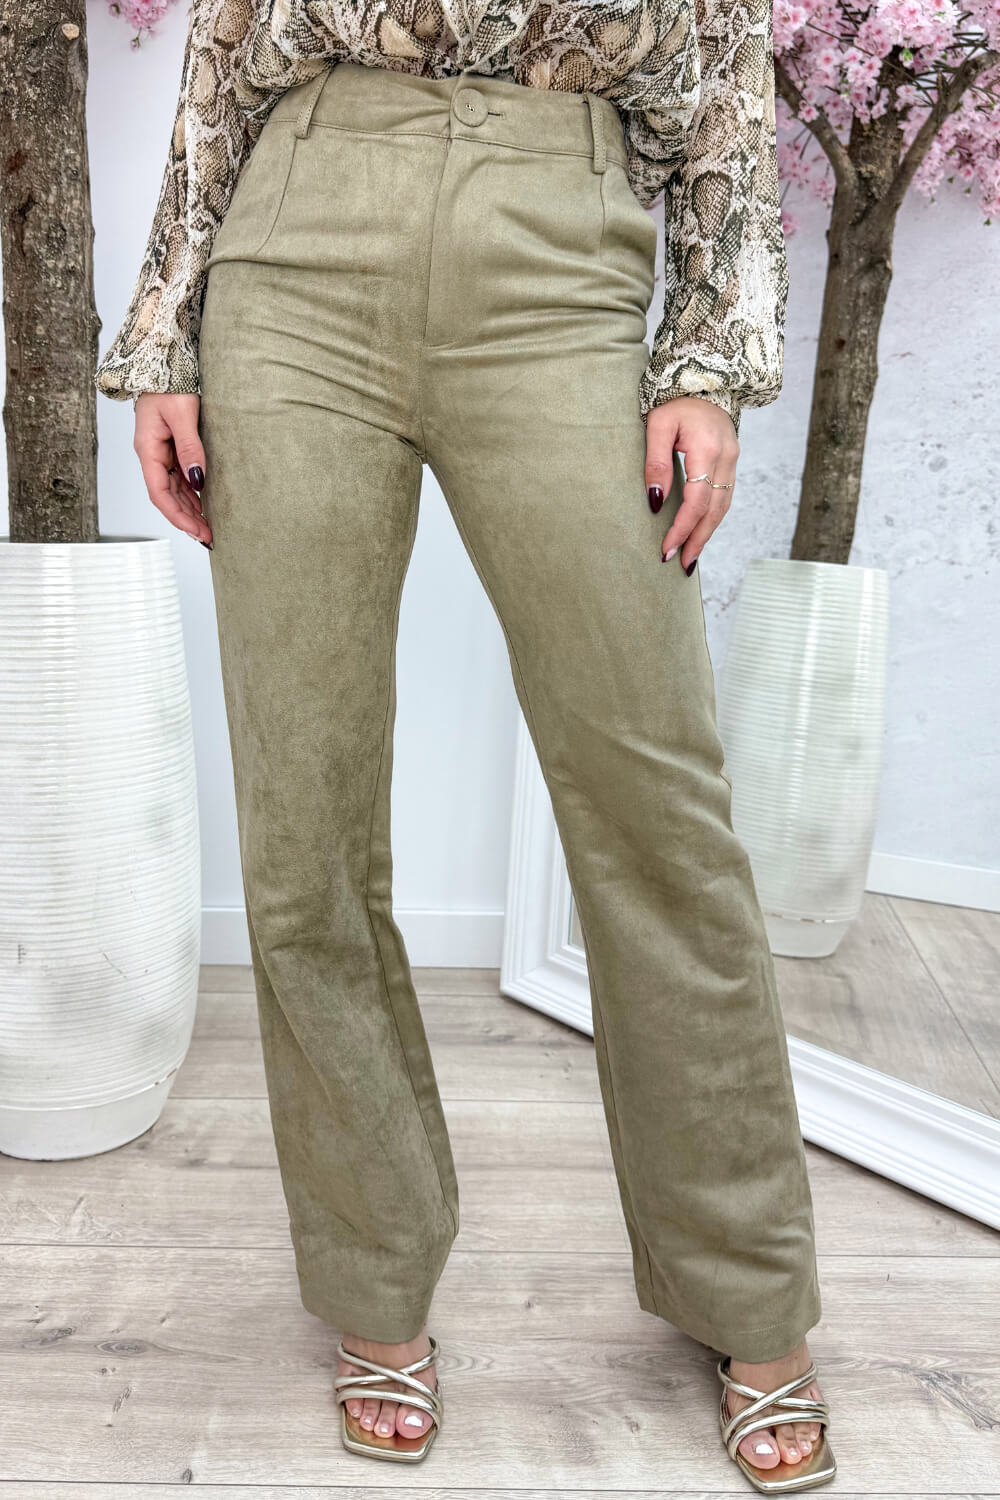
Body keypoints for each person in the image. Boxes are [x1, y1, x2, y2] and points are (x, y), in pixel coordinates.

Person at [96, 1, 835, 1489]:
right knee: (303, 818)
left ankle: (750, 1292)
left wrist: (704, 359)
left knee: (656, 808)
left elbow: (723, 71)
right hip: (297, 241)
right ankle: (375, 1279)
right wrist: (169, 323)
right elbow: (227, 44)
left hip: (561, 248)